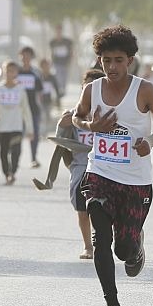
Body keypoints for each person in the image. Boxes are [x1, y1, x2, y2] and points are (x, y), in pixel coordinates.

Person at [72, 25, 153, 306]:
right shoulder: (92, 89)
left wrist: (151, 142)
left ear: (130, 60)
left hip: (135, 181)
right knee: (100, 239)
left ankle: (136, 244)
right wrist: (90, 126)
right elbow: (77, 115)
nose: (112, 67)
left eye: (118, 60)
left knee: (122, 249)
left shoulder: (143, 90)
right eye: (105, 60)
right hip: (100, 172)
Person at [33, 68, 106, 259]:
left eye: (93, 87)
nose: (89, 91)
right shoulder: (73, 115)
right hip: (80, 169)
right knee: (82, 209)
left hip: (106, 169)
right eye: (86, 87)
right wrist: (63, 125)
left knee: (107, 210)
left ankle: (114, 239)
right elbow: (61, 142)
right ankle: (88, 246)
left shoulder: (110, 115)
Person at [0, 61, 33, 185]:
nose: (9, 73)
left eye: (12, 71)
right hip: (2, 128)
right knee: (3, 152)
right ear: (4, 72)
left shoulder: (20, 90)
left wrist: (30, 129)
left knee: (16, 151)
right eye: (7, 71)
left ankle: (12, 173)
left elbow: (26, 110)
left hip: (16, 127)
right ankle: (7, 173)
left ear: (16, 73)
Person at [18, 46, 44, 168]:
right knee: (17, 134)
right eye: (23, 55)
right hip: (18, 110)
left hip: (33, 109)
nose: (25, 58)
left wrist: (41, 109)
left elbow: (40, 93)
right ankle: (15, 160)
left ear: (31, 57)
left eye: (28, 56)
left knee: (34, 134)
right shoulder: (16, 73)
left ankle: (34, 158)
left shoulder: (36, 74)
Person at [49, 24, 74, 99]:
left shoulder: (67, 41)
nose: (58, 32)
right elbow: (51, 53)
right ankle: (59, 91)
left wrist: (70, 61)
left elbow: (71, 51)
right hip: (56, 62)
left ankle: (63, 90)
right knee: (58, 76)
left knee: (64, 77)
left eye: (59, 30)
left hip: (65, 62)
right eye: (57, 30)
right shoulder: (53, 42)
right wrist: (51, 62)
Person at [39, 57, 60, 133]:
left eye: (47, 66)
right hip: (40, 100)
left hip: (49, 99)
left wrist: (58, 100)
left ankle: (46, 131)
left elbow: (56, 88)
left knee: (47, 115)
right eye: (44, 66)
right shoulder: (39, 77)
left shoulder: (52, 77)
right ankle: (42, 131)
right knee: (42, 115)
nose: (46, 68)